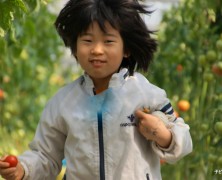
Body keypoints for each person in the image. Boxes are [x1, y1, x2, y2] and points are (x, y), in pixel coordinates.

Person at [0, 0, 193, 179]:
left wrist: (163, 135)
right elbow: (46, 156)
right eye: (87, 41)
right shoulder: (63, 102)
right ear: (75, 47)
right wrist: (23, 169)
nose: (97, 50)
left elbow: (184, 142)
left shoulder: (146, 95)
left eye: (108, 41)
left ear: (126, 49)